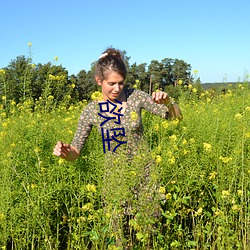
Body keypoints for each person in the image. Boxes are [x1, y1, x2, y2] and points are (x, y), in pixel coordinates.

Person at [53, 47, 182, 247]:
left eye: (121, 83)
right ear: (99, 81)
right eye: (111, 83)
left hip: (146, 176)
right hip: (115, 181)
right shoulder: (91, 111)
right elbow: (76, 151)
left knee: (150, 236)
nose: (117, 88)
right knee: (120, 239)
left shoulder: (135, 97)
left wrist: (169, 102)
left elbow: (175, 118)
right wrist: (65, 152)